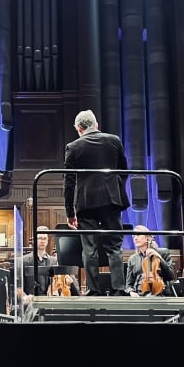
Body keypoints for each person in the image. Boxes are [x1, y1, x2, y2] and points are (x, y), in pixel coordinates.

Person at [63, 109, 130, 296]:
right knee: (114, 246)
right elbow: (124, 170)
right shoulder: (114, 140)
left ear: (79, 128)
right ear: (96, 125)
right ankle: (119, 288)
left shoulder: (73, 147)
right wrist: (116, 189)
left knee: (89, 248)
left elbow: (69, 182)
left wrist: (70, 212)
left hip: (87, 202)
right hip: (111, 200)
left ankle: (93, 289)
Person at [125, 225, 176, 296]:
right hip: (139, 294)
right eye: (134, 237)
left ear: (147, 238)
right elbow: (128, 285)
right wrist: (131, 292)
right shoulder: (132, 259)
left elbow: (171, 276)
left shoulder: (163, 252)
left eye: (138, 235)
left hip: (160, 293)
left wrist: (159, 258)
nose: (135, 238)